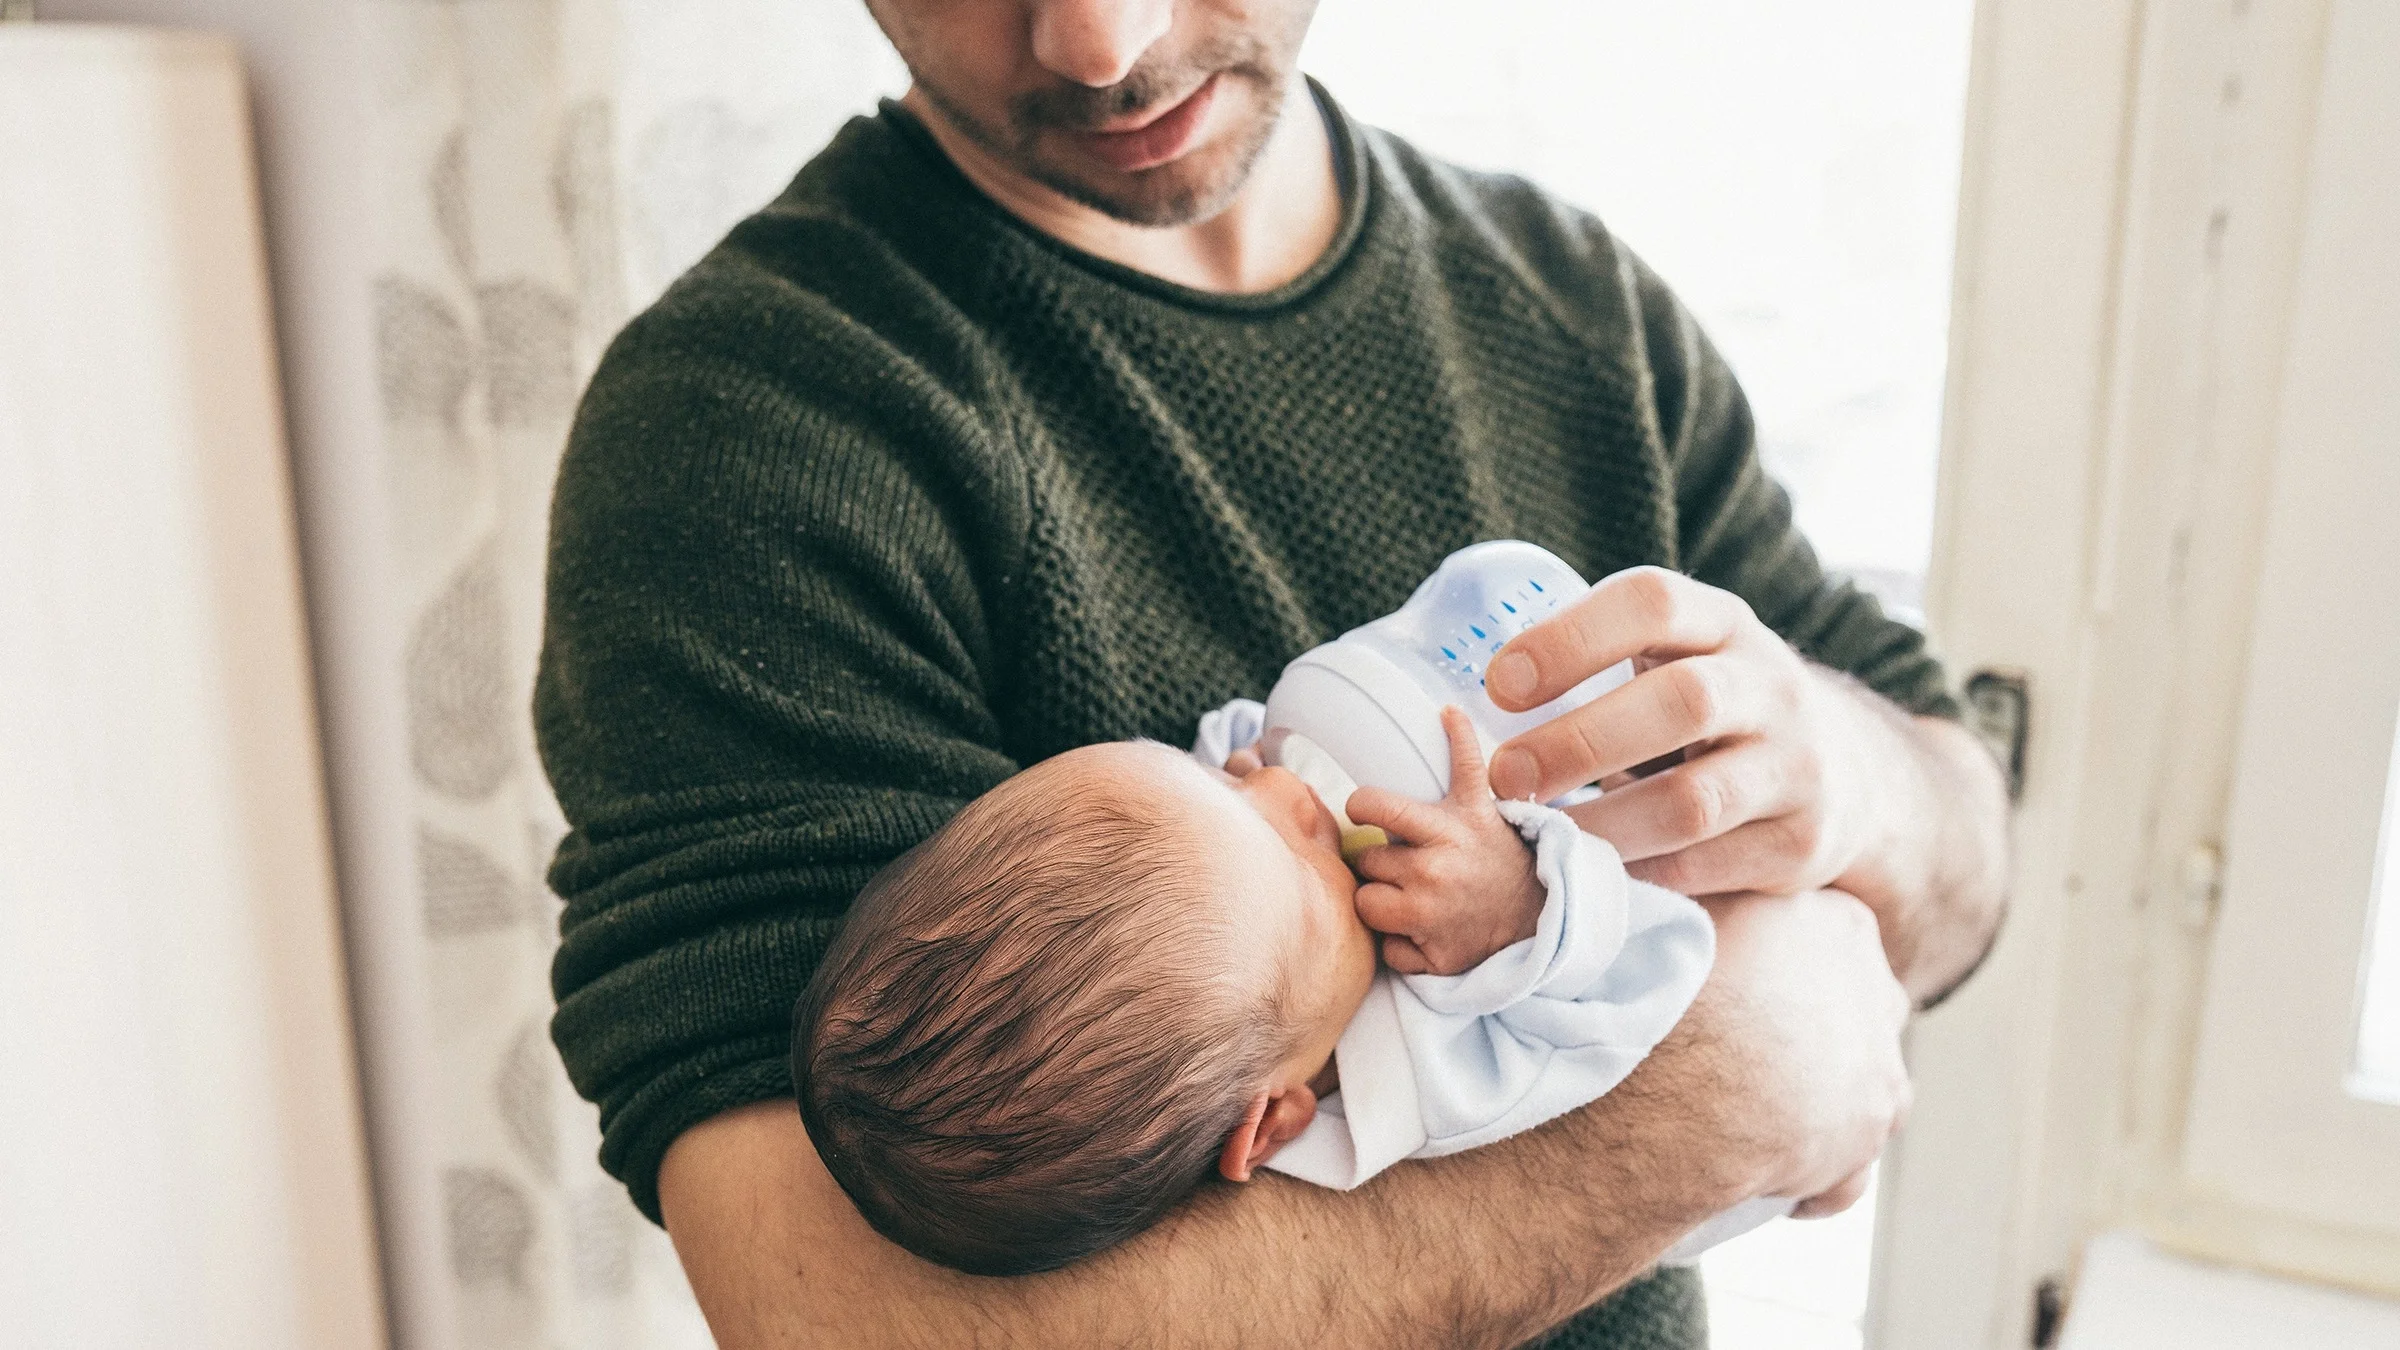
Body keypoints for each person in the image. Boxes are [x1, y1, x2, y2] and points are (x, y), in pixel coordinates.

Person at [533, 0, 2011, 1344]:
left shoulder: (1569, 304)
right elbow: (837, 1316)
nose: (1101, 47)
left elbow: (1962, 855)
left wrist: (1842, 774)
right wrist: (1728, 1091)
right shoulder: (756, 430)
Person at [791, 706, 1733, 1275]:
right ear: (1272, 1122)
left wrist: (1246, 759)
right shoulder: (1429, 1085)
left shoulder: (1237, 985)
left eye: (1209, 780)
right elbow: (1657, 976)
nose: (1285, 792)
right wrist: (1522, 910)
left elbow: (1227, 802)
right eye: (1298, 854)